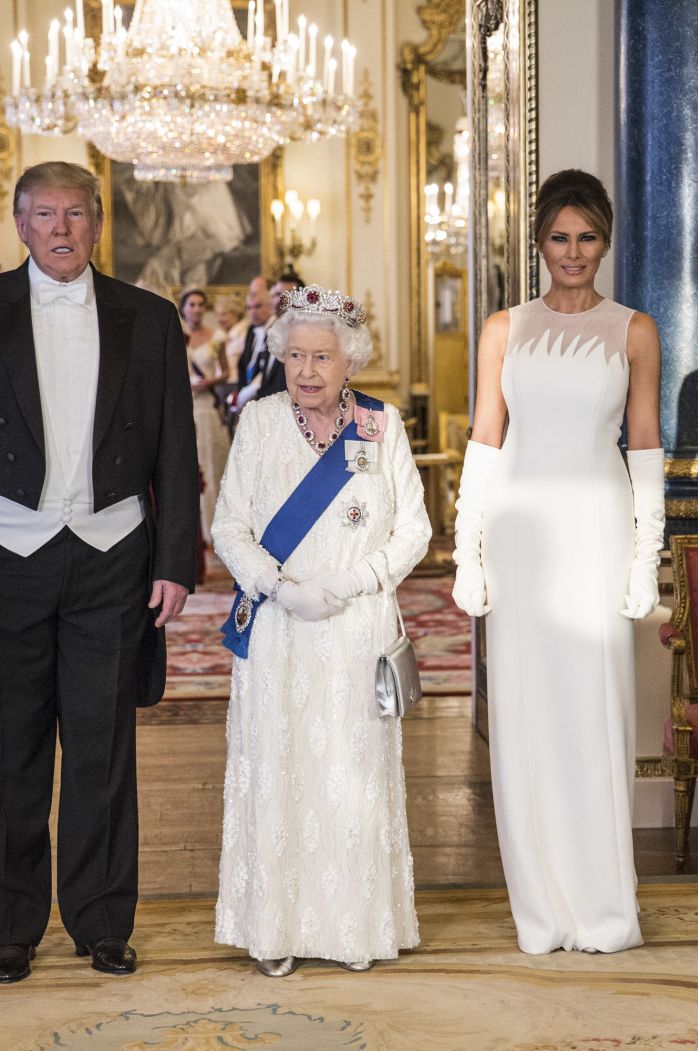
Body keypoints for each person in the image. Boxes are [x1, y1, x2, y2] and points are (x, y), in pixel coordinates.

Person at [0, 161, 199, 984]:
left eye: (76, 213)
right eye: (45, 214)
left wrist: (176, 560)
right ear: (19, 223)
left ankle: (103, 921)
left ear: (99, 224)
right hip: (3, 559)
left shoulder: (149, 318)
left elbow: (176, 449)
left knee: (104, 748)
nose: (62, 228)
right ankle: (10, 928)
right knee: (6, 749)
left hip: (114, 556)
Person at [451, 169, 664, 955]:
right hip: (522, 537)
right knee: (529, 723)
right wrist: (466, 551)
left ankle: (606, 908)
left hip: (600, 532)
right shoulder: (502, 327)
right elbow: (484, 441)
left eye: (587, 237)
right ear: (538, 243)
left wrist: (646, 559)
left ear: (605, 241)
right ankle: (540, 909)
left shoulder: (636, 328)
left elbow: (644, 447)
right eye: (558, 237)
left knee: (595, 717)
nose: (573, 252)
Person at [211, 284, 430, 977]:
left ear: (350, 361)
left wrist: (345, 584)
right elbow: (229, 527)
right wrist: (279, 587)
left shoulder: (380, 425)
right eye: (296, 355)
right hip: (279, 630)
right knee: (279, 774)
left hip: (354, 628)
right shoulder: (258, 421)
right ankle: (273, 927)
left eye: (323, 357)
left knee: (351, 776)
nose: (307, 370)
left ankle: (352, 926)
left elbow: (414, 530)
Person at [181, 287, 231, 542]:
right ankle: (193, 531)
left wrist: (209, 381)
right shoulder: (178, 334)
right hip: (185, 406)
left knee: (211, 468)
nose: (197, 309)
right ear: (184, 308)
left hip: (206, 407)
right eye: (192, 304)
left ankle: (213, 529)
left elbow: (226, 372)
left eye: (201, 304)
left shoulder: (216, 337)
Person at [233, 276, 286, 410]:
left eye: (258, 306)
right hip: (250, 402)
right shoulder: (251, 331)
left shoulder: (279, 329)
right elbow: (244, 363)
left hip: (273, 400)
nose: (253, 312)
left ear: (270, 306)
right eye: (249, 308)